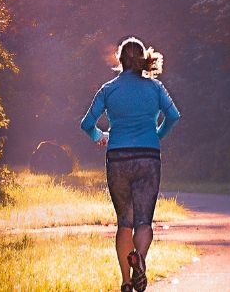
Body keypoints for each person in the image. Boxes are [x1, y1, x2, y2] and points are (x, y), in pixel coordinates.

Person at [80, 36, 181, 292]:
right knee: (144, 221)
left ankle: (126, 282)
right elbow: (173, 115)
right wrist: (157, 134)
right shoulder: (155, 88)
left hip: (118, 158)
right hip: (148, 156)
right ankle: (141, 261)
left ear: (119, 60)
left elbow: (86, 124)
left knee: (124, 222)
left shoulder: (108, 89)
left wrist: (99, 136)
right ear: (142, 59)